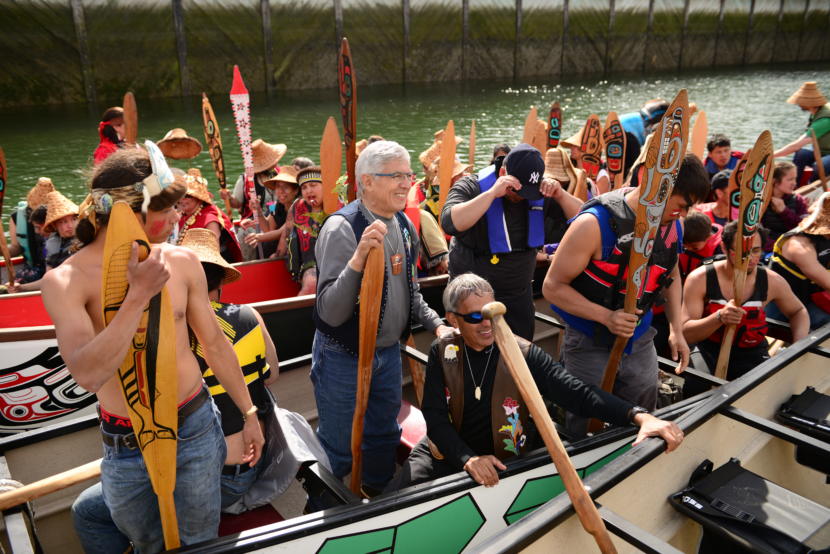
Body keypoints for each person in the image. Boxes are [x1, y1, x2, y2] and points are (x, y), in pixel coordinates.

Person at [42, 147, 264, 553]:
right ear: (134, 212)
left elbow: (214, 343)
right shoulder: (65, 281)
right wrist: (136, 298)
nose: (179, 217)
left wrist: (248, 413)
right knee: (147, 544)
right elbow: (88, 374)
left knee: (200, 541)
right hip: (125, 445)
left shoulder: (181, 261)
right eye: (172, 207)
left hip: (196, 426)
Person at [388, 274, 684, 490]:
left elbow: (576, 393)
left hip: (511, 456)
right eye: (476, 317)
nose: (488, 323)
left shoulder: (524, 353)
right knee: (393, 502)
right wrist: (468, 459)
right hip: (451, 451)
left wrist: (638, 415)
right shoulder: (443, 351)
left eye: (494, 312)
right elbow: (436, 418)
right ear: (453, 320)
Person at [312, 140, 451, 495]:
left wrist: (437, 324)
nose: (408, 183)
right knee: (338, 446)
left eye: (409, 174)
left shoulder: (404, 225)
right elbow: (329, 310)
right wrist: (358, 260)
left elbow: (411, 292)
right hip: (343, 356)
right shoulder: (342, 229)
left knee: (383, 435)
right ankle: (322, 514)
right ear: (367, 182)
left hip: (388, 355)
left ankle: (377, 499)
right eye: (397, 175)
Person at [543, 154, 710, 437]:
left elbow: (670, 275)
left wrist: (676, 329)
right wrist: (606, 317)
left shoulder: (674, 225)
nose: (682, 215)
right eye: (681, 205)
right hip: (588, 337)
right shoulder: (593, 225)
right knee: (584, 412)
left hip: (639, 336)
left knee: (645, 400)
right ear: (653, 186)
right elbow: (552, 286)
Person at [441, 143, 583, 340]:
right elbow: (449, 223)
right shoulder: (471, 186)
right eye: (518, 191)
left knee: (520, 358)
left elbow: (588, 222)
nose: (524, 198)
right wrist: (491, 194)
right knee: (473, 362)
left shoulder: (537, 191)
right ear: (502, 173)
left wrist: (560, 194)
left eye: (529, 193)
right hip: (471, 300)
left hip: (518, 296)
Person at [681, 222, 808, 396]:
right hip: (709, 348)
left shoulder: (771, 281)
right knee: (697, 387)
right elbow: (686, 333)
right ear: (724, 248)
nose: (749, 258)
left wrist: (798, 345)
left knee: (764, 391)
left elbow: (798, 311)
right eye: (741, 251)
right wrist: (718, 317)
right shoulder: (700, 279)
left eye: (756, 251)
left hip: (751, 351)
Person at [768, 192, 830, 330]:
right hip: (783, 307)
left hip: (811, 298)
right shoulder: (800, 246)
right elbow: (827, 282)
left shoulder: (827, 237)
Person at [221, 139, 287, 260]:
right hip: (253, 219)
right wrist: (229, 197)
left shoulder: (282, 174)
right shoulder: (245, 179)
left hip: (279, 217)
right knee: (246, 233)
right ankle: (250, 263)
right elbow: (237, 204)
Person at [176, 168, 242, 263]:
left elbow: (212, 251)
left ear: (198, 198)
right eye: (180, 195)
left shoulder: (210, 218)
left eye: (187, 196)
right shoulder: (182, 215)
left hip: (211, 265)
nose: (182, 199)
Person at [773, 81, 830, 185]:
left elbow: (796, 145)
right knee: (801, 154)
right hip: (823, 151)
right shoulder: (816, 112)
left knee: (819, 165)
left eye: (800, 101)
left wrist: (771, 155)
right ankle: (795, 186)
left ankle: (812, 188)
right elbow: (799, 142)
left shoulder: (824, 120)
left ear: (809, 103)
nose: (798, 104)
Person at [285, 166, 326, 295]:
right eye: (304, 187)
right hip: (309, 264)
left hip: (337, 263)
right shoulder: (297, 207)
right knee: (311, 283)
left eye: (313, 185)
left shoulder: (339, 206)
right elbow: (286, 233)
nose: (308, 191)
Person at [6, 177, 54, 284]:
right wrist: (2, 249)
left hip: (56, 269)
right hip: (33, 268)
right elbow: (16, 248)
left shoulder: (60, 218)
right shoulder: (17, 218)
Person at [245, 166, 300, 255]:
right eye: (278, 186)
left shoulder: (299, 207)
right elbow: (268, 228)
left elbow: (281, 232)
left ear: (296, 190)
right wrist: (258, 211)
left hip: (289, 250)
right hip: (273, 247)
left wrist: (258, 237)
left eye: (286, 187)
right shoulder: (274, 205)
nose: (281, 191)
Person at [760, 160, 808, 252]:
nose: (795, 183)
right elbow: (757, 234)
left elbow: (804, 228)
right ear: (775, 181)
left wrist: (784, 212)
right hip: (770, 250)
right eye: (790, 179)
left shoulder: (798, 200)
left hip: (794, 245)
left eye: (795, 179)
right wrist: (781, 247)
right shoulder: (759, 202)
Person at [678, 211, 723, 282]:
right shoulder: (679, 235)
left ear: (708, 237)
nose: (688, 249)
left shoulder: (719, 249)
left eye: (694, 247)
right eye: (684, 244)